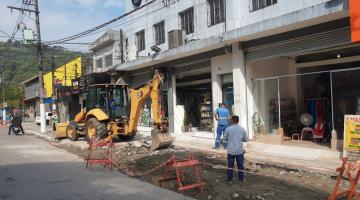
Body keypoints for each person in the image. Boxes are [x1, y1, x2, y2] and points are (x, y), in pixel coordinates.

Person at [223, 115, 248, 186]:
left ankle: (230, 180)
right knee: (240, 166)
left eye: (230, 120)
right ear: (238, 121)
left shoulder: (228, 129)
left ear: (232, 121)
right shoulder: (242, 129)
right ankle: (241, 179)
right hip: (240, 151)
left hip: (231, 151)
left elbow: (224, 139)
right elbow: (246, 139)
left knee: (230, 166)